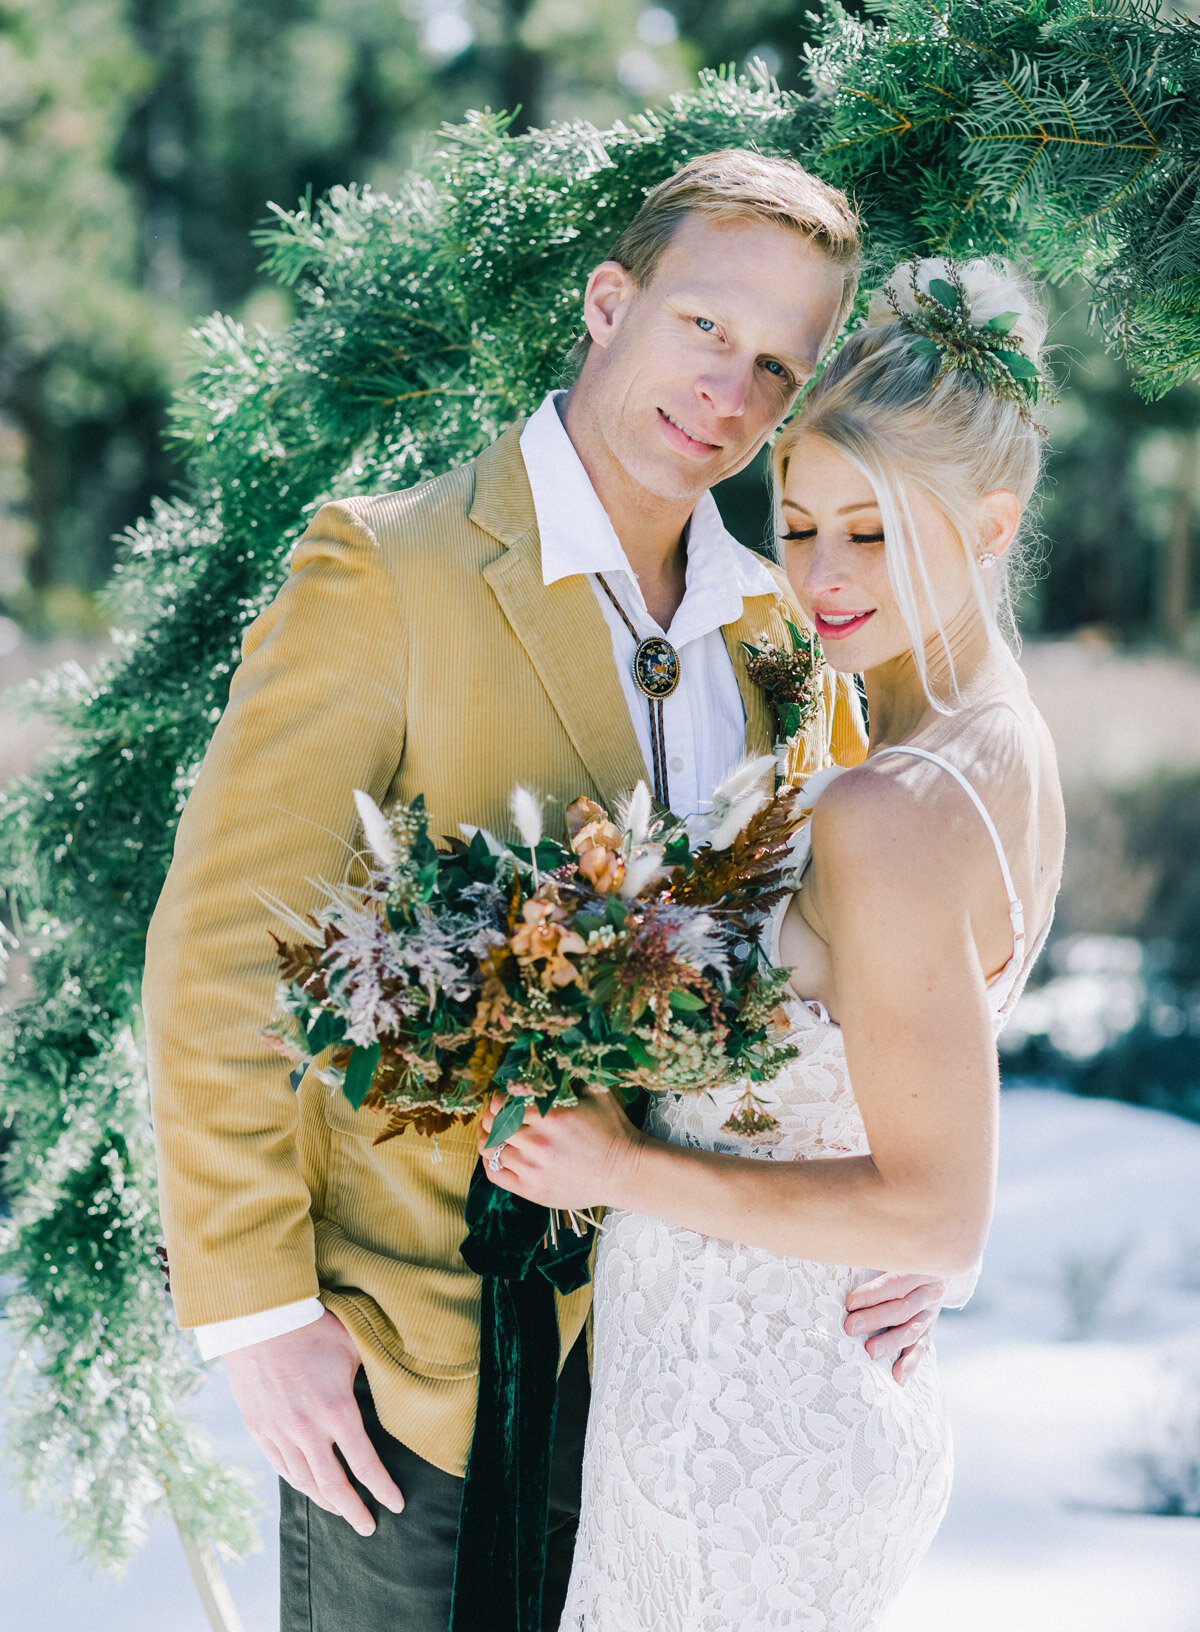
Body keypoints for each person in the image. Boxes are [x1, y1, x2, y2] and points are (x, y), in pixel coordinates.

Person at [143, 153, 956, 1632]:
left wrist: (900, 1233)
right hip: (422, 1376)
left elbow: (844, 974)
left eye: (777, 364)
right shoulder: (386, 569)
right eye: (707, 326)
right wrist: (258, 1320)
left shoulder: (783, 639)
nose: (731, 388)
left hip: (694, 1378)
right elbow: (217, 952)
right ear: (609, 302)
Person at [479, 256, 1067, 1631]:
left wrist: (620, 1165)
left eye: (874, 533)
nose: (823, 577)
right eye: (799, 527)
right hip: (749, 1394)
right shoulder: (991, 741)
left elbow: (939, 1207)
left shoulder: (897, 803)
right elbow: (925, 1091)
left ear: (989, 524)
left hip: (744, 1441)